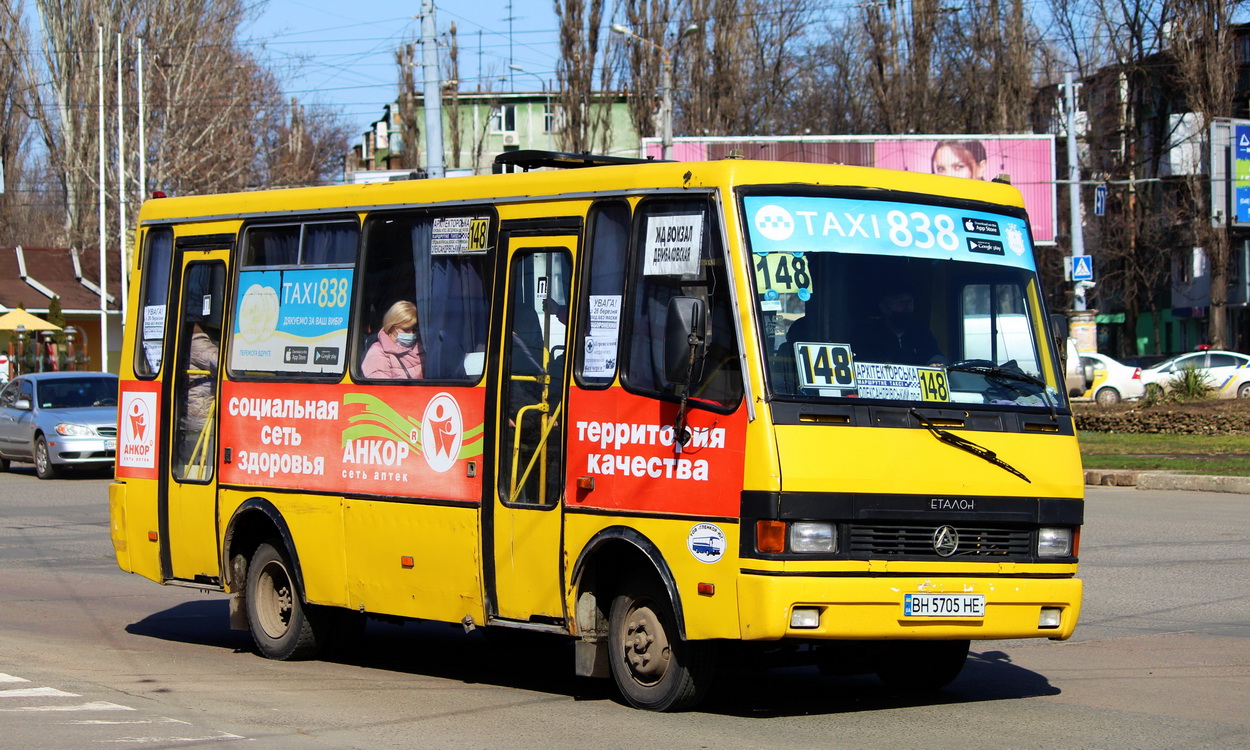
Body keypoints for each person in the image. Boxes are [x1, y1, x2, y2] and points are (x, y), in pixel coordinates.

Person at [854, 288, 945, 367]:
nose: (907, 306)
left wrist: (936, 362)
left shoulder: (921, 333)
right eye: (900, 302)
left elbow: (935, 354)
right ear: (883, 308)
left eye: (910, 301)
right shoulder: (869, 335)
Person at [362, 301, 424, 379]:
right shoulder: (378, 352)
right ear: (391, 327)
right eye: (406, 330)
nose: (411, 334)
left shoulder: (422, 347)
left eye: (414, 329)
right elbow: (381, 387)